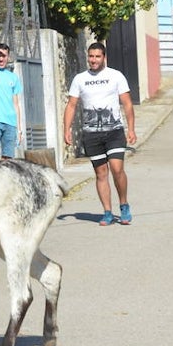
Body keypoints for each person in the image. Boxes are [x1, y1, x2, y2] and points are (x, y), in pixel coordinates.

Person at [64, 42, 137, 226]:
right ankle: (107, 212)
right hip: (91, 134)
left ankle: (124, 205)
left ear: (104, 57)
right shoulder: (80, 79)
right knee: (101, 173)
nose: (93, 60)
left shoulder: (115, 76)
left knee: (117, 169)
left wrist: (131, 128)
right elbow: (71, 105)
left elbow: (127, 103)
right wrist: (66, 129)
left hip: (114, 131)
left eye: (97, 56)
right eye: (91, 56)